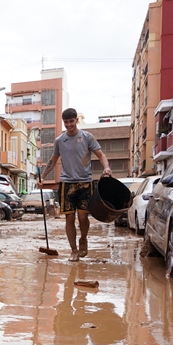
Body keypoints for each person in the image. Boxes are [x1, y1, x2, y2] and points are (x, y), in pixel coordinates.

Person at [40, 108, 111, 262]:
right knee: (69, 218)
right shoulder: (60, 140)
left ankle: (83, 239)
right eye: (66, 122)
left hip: (85, 182)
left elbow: (100, 154)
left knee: (83, 217)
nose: (69, 125)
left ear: (76, 120)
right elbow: (53, 160)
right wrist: (43, 177)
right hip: (66, 183)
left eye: (71, 121)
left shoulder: (87, 137)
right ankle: (73, 250)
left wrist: (106, 167)